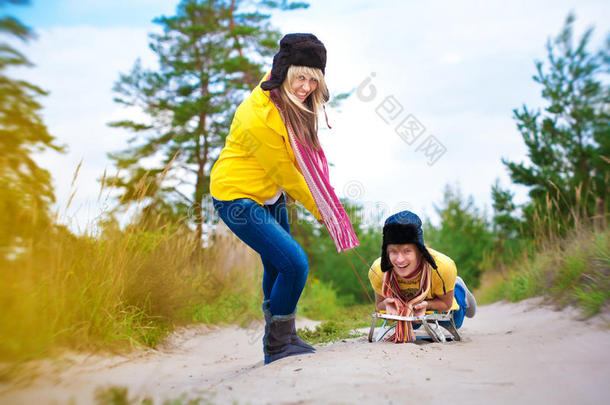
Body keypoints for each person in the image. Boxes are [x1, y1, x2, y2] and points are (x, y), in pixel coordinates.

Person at [210, 33, 352, 364]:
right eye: (300, 77)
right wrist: (323, 210)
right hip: (237, 197)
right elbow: (287, 174)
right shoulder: (258, 114)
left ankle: (283, 336)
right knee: (295, 263)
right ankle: (276, 344)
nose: (305, 87)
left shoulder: (287, 100)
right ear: (284, 71)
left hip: (268, 195)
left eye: (313, 80)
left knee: (277, 265)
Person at [367, 210, 476, 343]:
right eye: (393, 251)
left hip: (437, 298)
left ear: (420, 251)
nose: (400, 260)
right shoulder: (378, 270)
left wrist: (428, 305)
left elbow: (446, 304)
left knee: (455, 323)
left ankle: (458, 289)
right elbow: (379, 304)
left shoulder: (443, 267)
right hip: (411, 308)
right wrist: (387, 304)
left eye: (407, 251)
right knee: (413, 323)